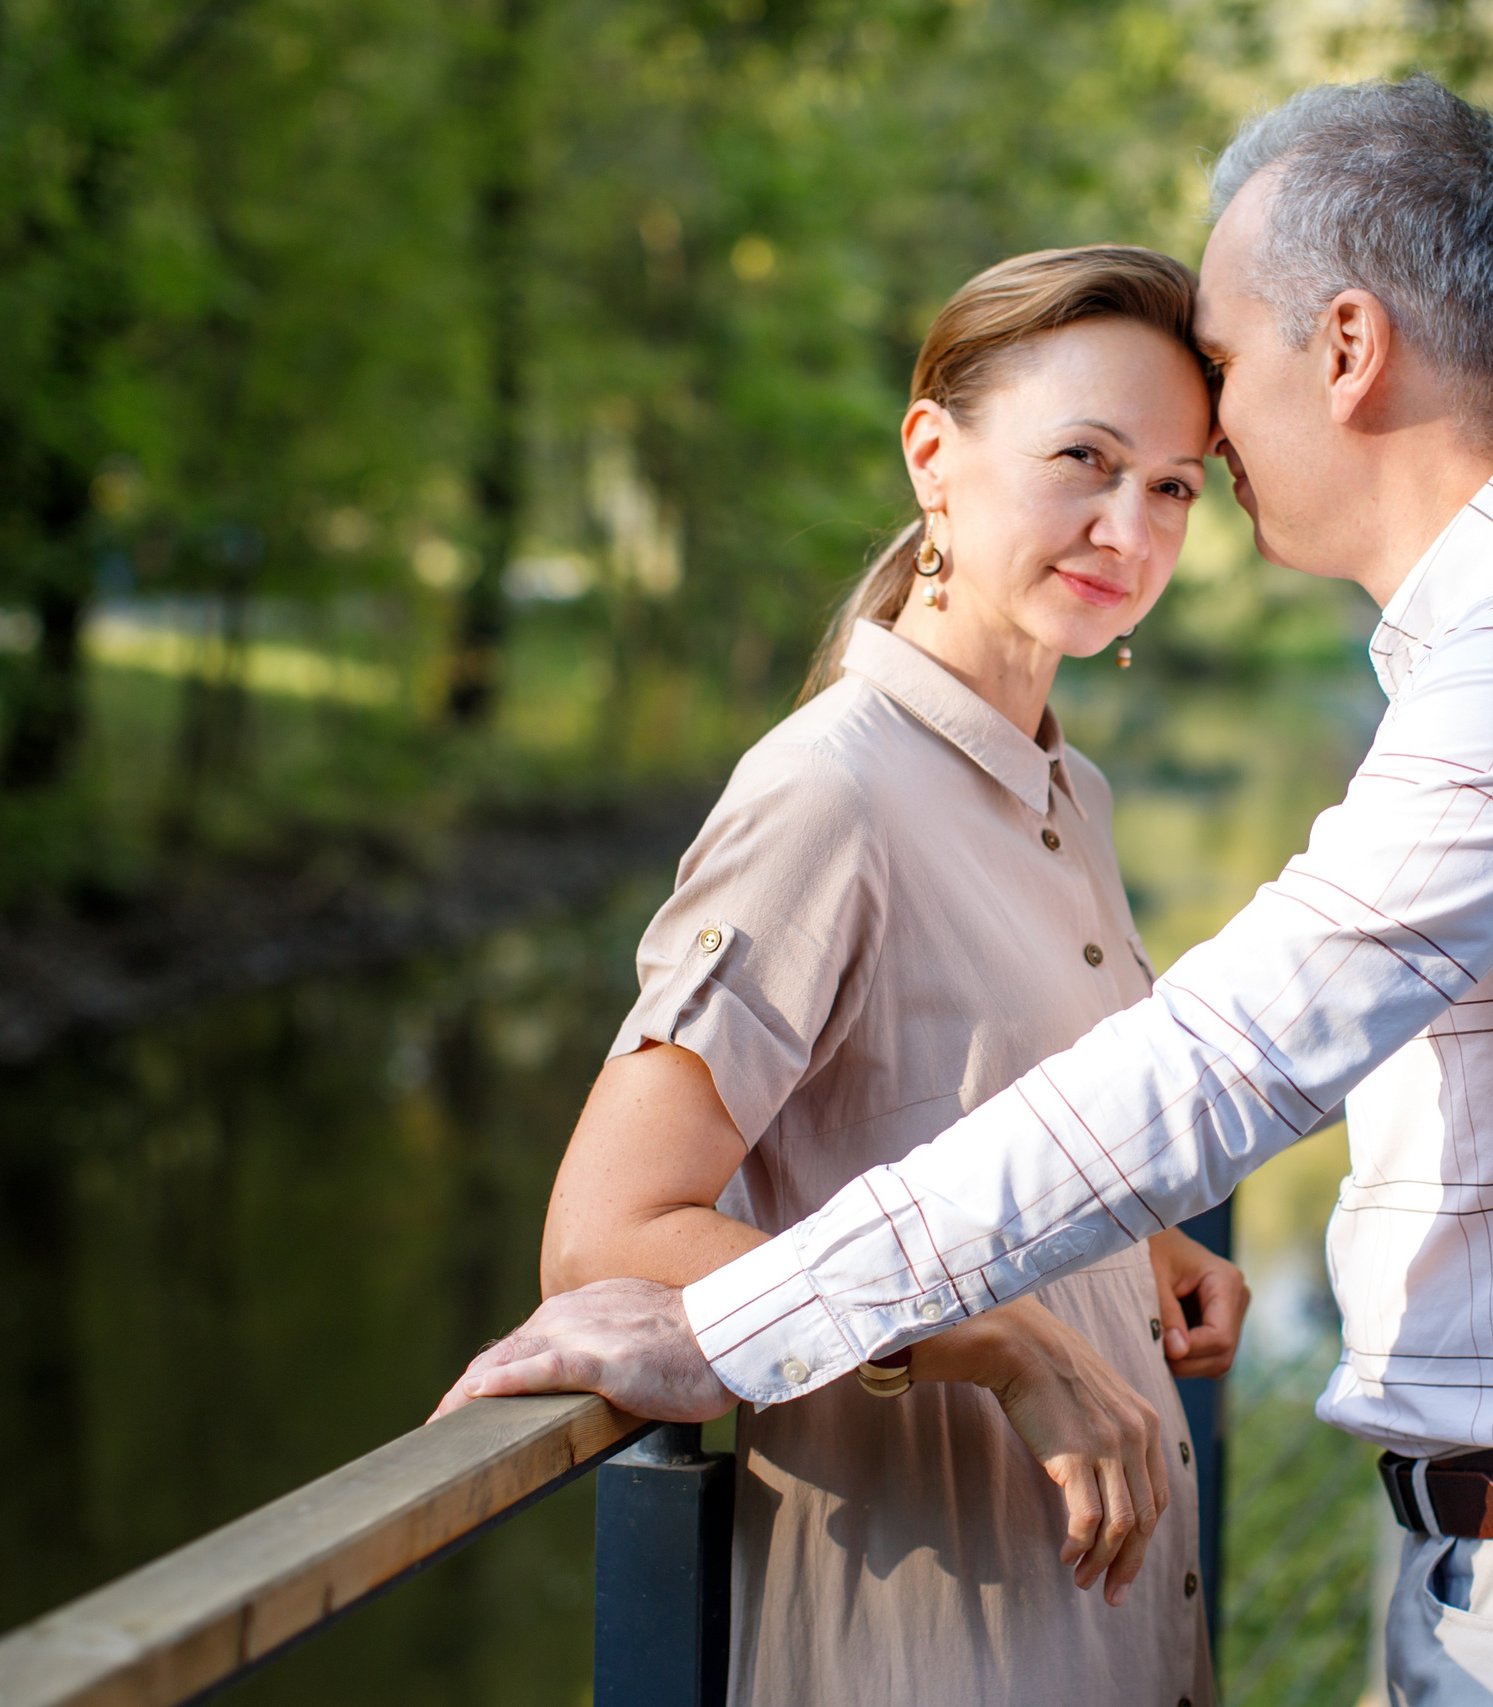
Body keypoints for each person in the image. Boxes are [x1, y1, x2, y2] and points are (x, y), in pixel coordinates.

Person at [445, 77, 1493, 1707]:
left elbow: (1226, 1058)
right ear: (936, 458)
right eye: (1089, 455)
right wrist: (1003, 1307)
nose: (1161, 496)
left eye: (1191, 438)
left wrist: (748, 1322)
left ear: (1343, 350)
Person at [437, 245, 1240, 1707]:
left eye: (1178, 485)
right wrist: (1001, 1344)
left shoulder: (1075, 796)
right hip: (927, 1636)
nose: (1131, 525)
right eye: (1086, 459)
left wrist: (1142, 1254)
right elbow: (607, 1234)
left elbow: (966, 1123)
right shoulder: (830, 794)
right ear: (935, 455)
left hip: (1123, 1630)